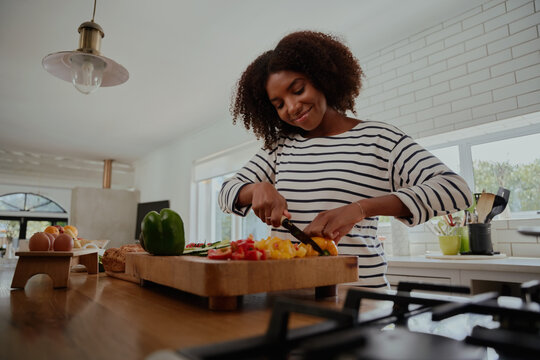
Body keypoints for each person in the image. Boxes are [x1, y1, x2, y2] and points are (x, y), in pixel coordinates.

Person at [218, 31, 472, 288]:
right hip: (286, 297)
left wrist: (360, 209)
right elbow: (226, 192)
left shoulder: (379, 138)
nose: (292, 107)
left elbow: (456, 190)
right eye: (278, 104)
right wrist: (256, 189)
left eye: (298, 90)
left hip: (360, 301)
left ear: (321, 78)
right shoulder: (280, 147)